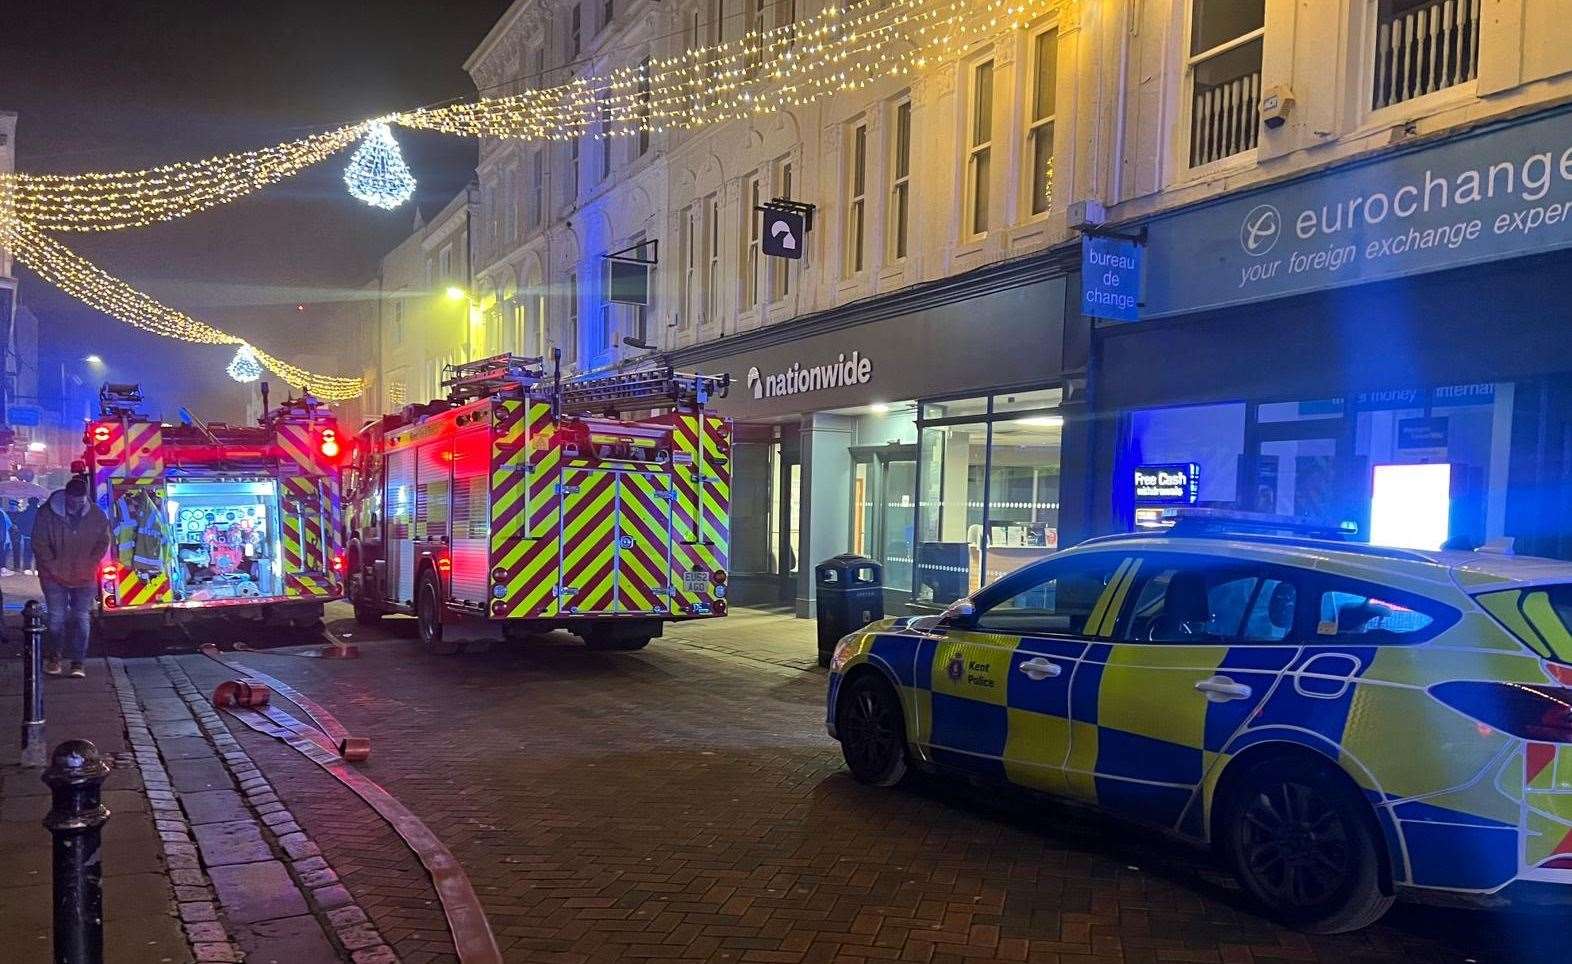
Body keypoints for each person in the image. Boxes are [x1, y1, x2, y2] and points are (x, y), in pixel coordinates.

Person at [34, 477, 111, 678]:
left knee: (81, 618)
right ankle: (54, 658)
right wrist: (54, 567)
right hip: (54, 576)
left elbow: (103, 542)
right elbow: (39, 543)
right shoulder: (47, 514)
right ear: (66, 496)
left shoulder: (96, 515)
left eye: (81, 502)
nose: (77, 506)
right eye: (73, 501)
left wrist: (90, 563)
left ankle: (78, 663)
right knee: (55, 619)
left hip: (84, 576)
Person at [13, 496, 39, 573]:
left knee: (27, 553)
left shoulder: (24, 513)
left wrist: (22, 532)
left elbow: (18, 523)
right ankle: (37, 569)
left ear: (28, 503)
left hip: (27, 536)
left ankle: (27, 569)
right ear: (37, 503)